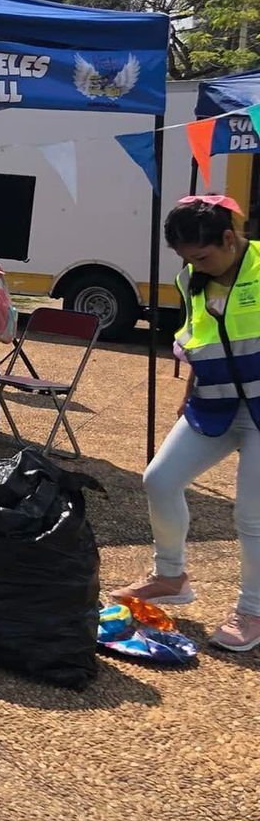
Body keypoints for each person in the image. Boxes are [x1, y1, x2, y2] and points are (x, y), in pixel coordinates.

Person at [110, 196, 260, 652]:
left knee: (251, 515)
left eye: (202, 256)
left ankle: (253, 610)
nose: (196, 266)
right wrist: (187, 391)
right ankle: (170, 576)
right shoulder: (191, 277)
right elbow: (201, 338)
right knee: (159, 479)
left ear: (230, 239)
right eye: (187, 258)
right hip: (212, 405)